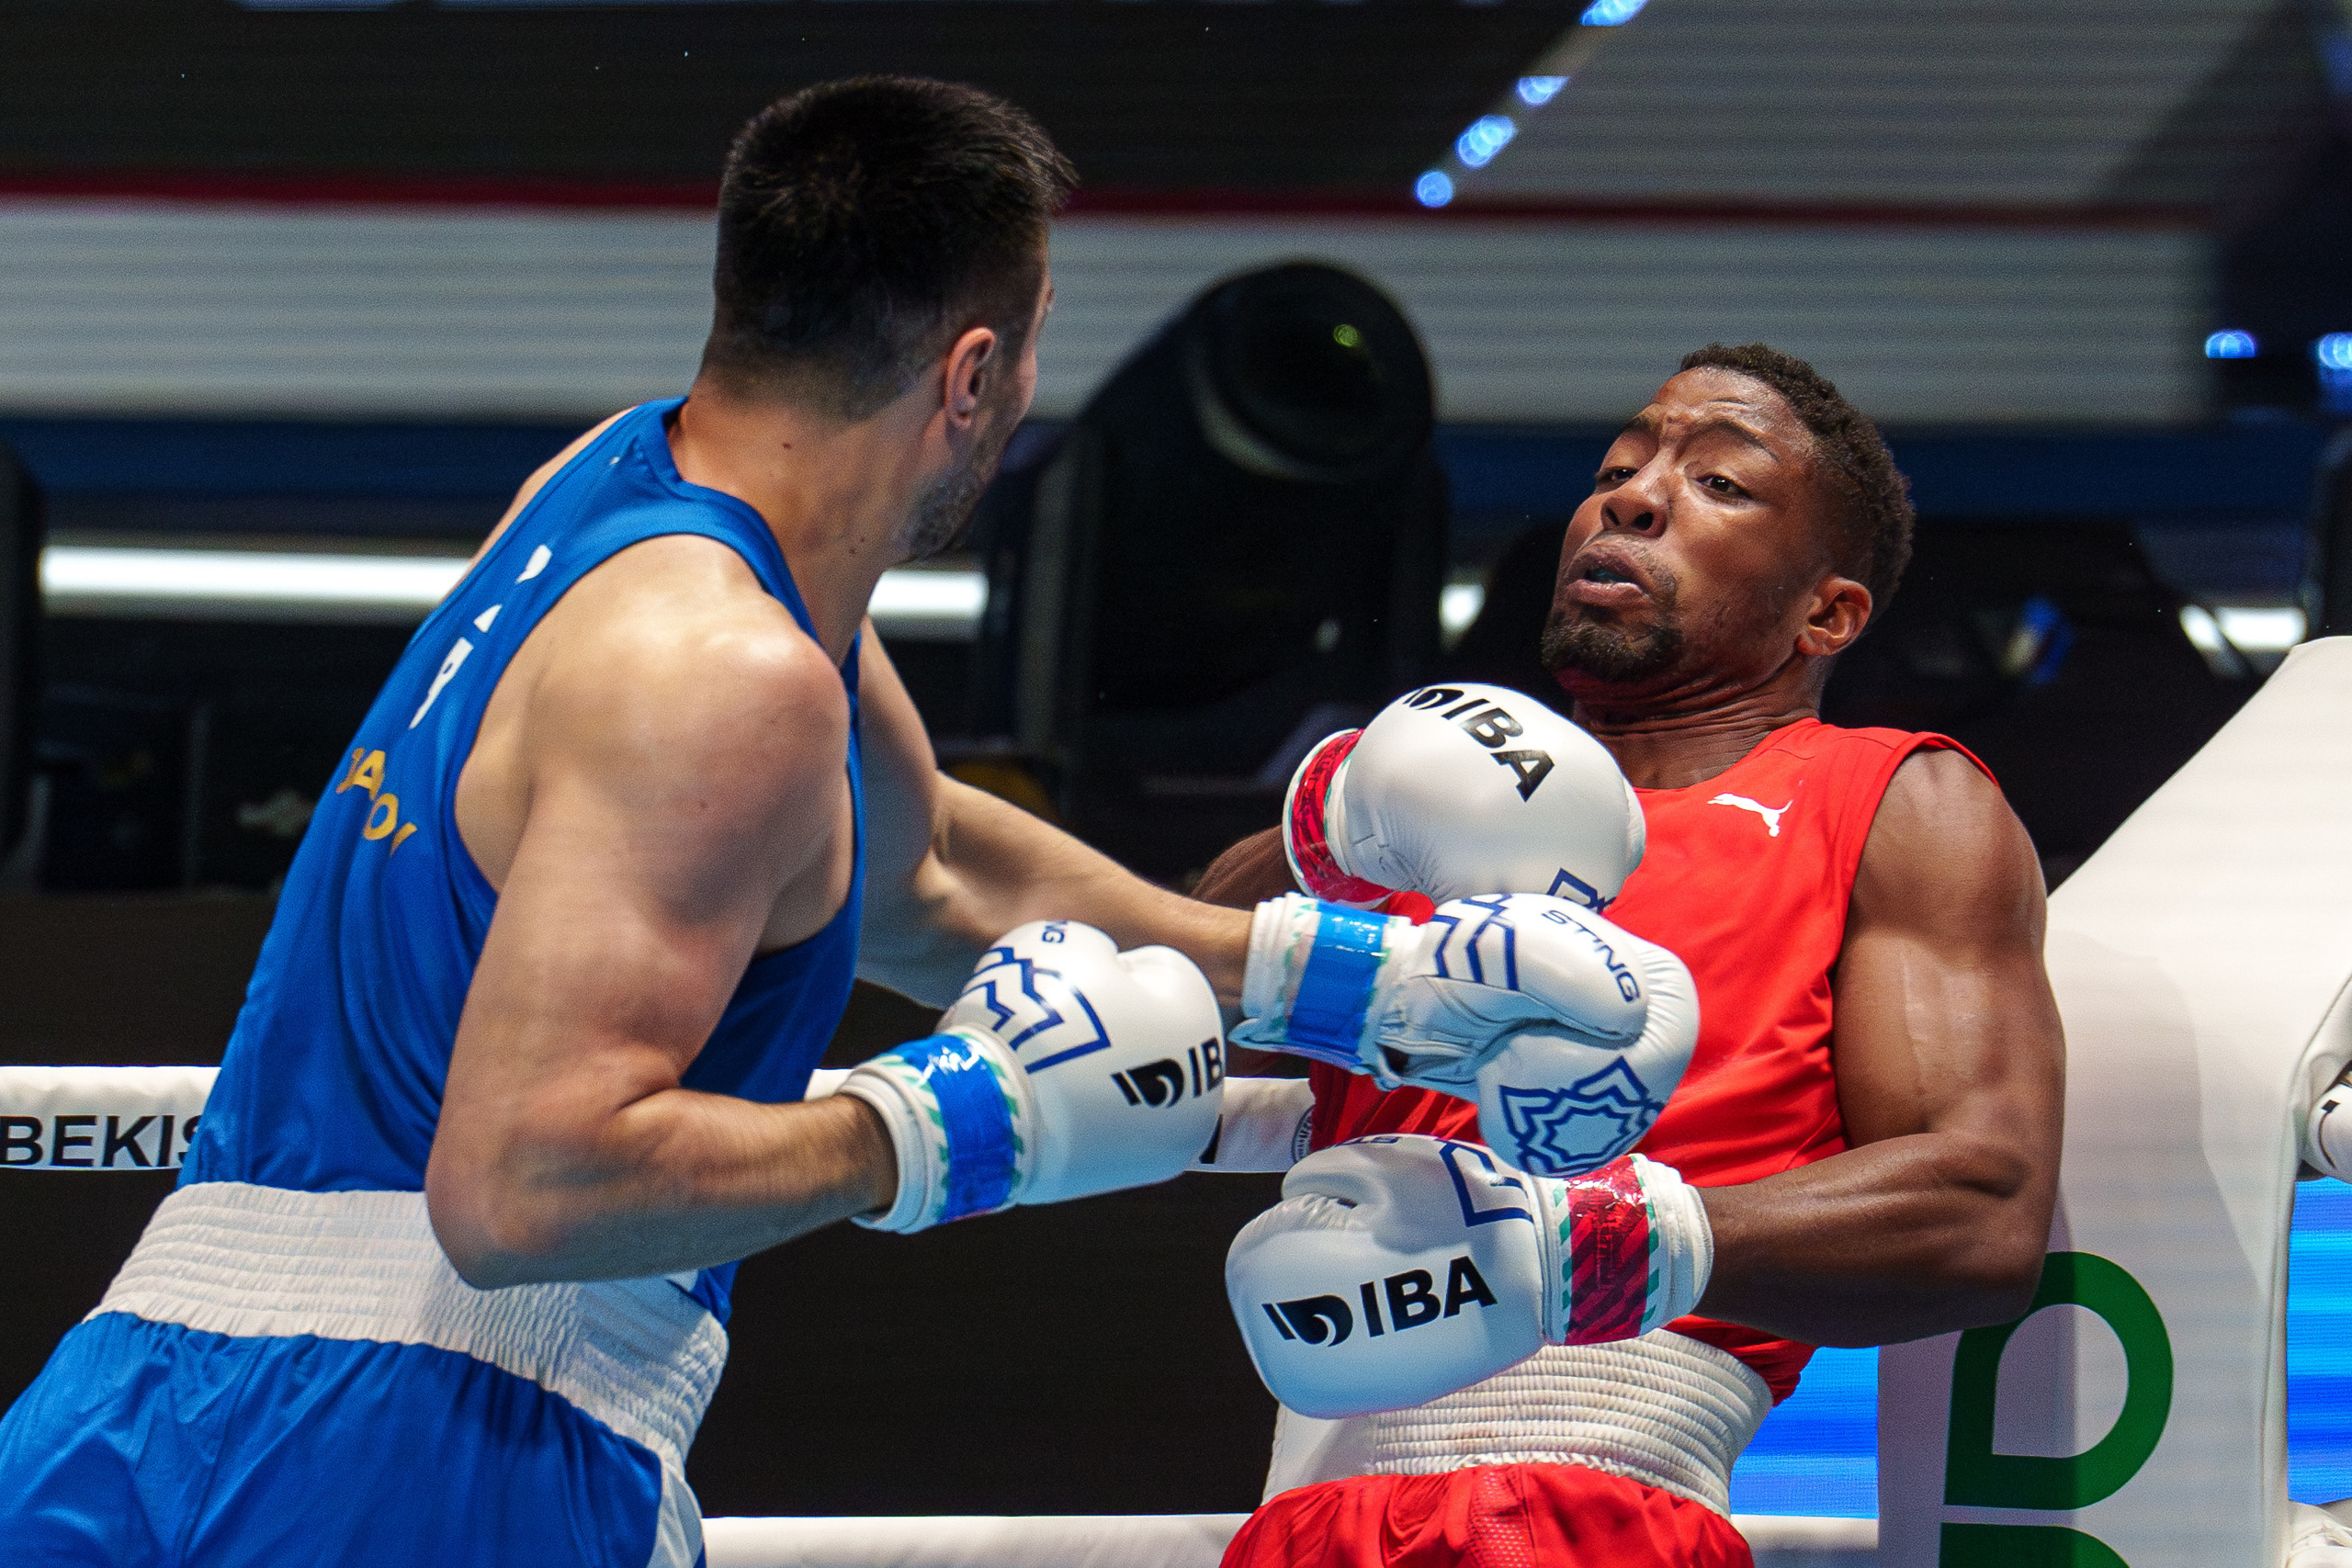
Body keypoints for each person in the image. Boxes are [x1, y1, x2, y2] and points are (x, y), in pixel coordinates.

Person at [0, 77, 1685, 1568]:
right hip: (420, 1447)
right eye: (1029, 348)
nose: (1026, 397)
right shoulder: (730, 672)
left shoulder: (620, 504)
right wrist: (945, 1122)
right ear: (970, 369)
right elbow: (519, 1189)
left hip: (142, 1397)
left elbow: (926, 866)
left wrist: (1355, 984)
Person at [1196, 344, 2066, 1568]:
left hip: (1599, 1507)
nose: (1634, 495)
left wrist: (1584, 1250)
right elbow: (1167, 1002)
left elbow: (1980, 1211)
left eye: (1720, 483)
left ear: (1830, 610)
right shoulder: (1439, 800)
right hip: (1306, 1518)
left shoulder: (1885, 801)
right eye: (1620, 466)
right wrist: (1328, 819)